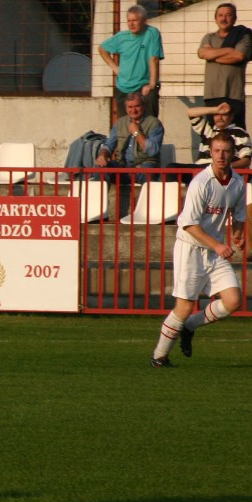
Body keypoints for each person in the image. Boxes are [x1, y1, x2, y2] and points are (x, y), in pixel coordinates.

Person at [149, 131, 246, 368]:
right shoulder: (201, 183)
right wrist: (218, 244)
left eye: (225, 151)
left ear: (233, 153)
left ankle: (190, 327)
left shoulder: (238, 182)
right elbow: (189, 224)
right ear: (210, 153)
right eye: (216, 151)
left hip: (214, 251)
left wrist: (238, 233)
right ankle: (159, 357)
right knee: (183, 306)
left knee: (233, 301)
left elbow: (240, 214)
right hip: (191, 248)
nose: (221, 156)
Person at [98, 4, 164, 118]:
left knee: (150, 123)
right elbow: (102, 49)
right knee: (125, 127)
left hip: (144, 86)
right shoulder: (122, 37)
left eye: (135, 20)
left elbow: (154, 59)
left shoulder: (152, 33)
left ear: (144, 20)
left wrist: (152, 84)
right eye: (129, 21)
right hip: (123, 87)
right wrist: (115, 68)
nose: (131, 24)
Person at [167, 102, 252, 184]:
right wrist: (216, 109)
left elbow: (246, 160)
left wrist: (226, 167)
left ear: (231, 116)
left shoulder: (239, 133)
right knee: (171, 169)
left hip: (222, 171)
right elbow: (191, 112)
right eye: (217, 114)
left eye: (224, 114)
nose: (220, 117)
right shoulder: (209, 129)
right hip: (200, 169)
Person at [198, 2, 251, 129]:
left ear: (234, 18)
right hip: (212, 95)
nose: (224, 18)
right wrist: (229, 50)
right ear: (215, 19)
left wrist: (213, 55)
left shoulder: (243, 36)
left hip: (234, 95)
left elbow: (239, 56)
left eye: (228, 15)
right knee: (212, 134)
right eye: (220, 15)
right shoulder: (209, 37)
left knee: (236, 135)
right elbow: (202, 53)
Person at [95, 92, 164, 183]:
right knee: (100, 167)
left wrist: (136, 132)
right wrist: (102, 155)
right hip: (122, 167)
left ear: (144, 106)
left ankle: (148, 197)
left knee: (148, 171)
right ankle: (100, 197)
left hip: (143, 167)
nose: (133, 110)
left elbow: (152, 151)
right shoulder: (120, 123)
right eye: (130, 107)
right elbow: (108, 145)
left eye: (137, 106)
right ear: (126, 108)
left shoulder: (154, 124)